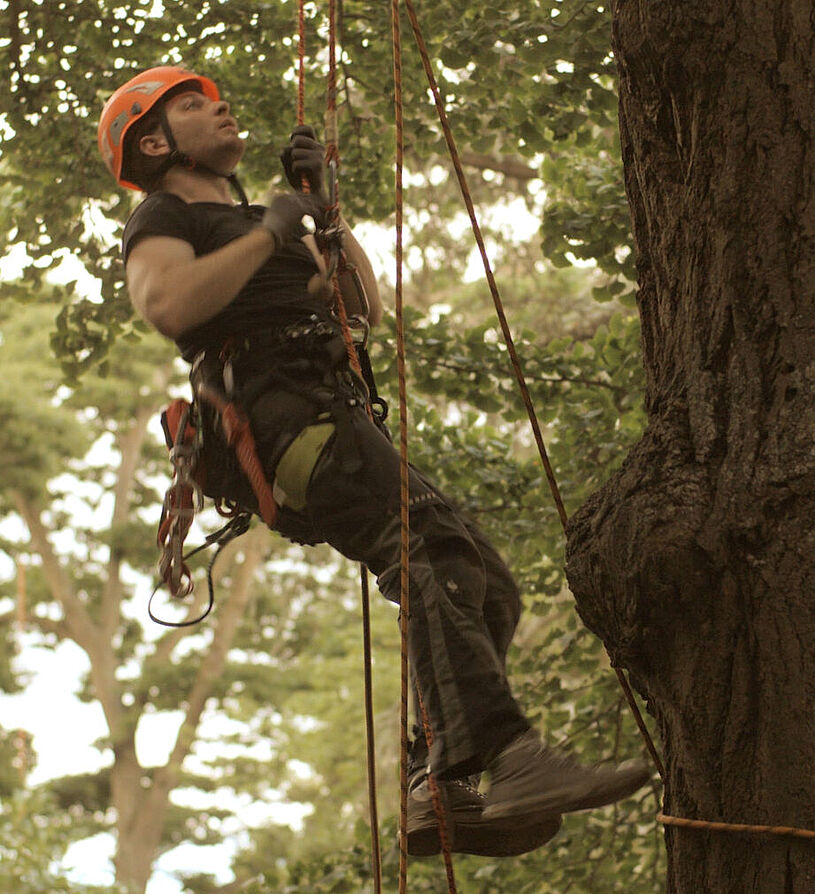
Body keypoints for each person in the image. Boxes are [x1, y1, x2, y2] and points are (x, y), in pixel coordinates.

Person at [99, 66, 649, 858]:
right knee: (424, 550)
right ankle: (510, 757)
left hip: (332, 410)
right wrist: (270, 229)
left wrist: (320, 213)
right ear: (155, 141)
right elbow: (168, 305)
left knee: (478, 577)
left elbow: (358, 308)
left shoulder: (263, 219)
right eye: (192, 106)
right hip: (287, 421)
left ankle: (439, 784)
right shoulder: (166, 213)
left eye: (214, 97)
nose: (218, 106)